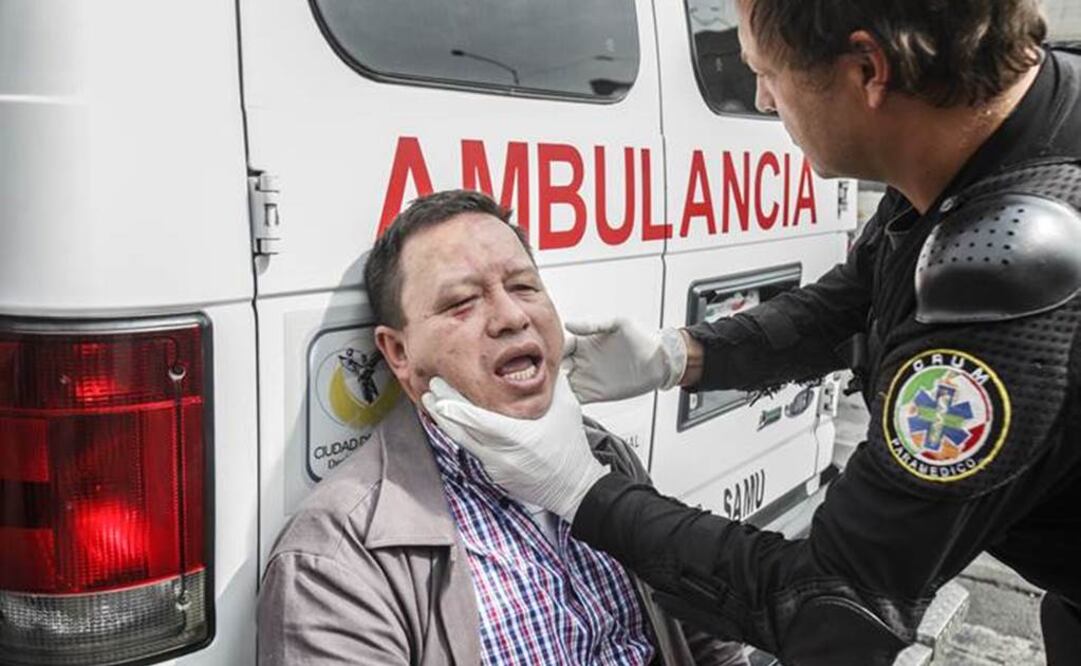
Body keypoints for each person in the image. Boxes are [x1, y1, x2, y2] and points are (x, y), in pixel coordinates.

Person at [421, 2, 1081, 665]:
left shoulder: (1017, 269)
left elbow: (836, 601)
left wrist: (581, 492)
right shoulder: (977, 132)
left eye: (764, 73)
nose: (762, 101)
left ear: (867, 69)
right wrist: (682, 355)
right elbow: (854, 300)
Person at [257, 190, 748, 666]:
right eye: (461, 302)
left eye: (524, 286)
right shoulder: (336, 560)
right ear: (399, 353)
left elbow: (705, 630)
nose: (512, 316)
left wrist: (678, 359)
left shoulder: (602, 454)